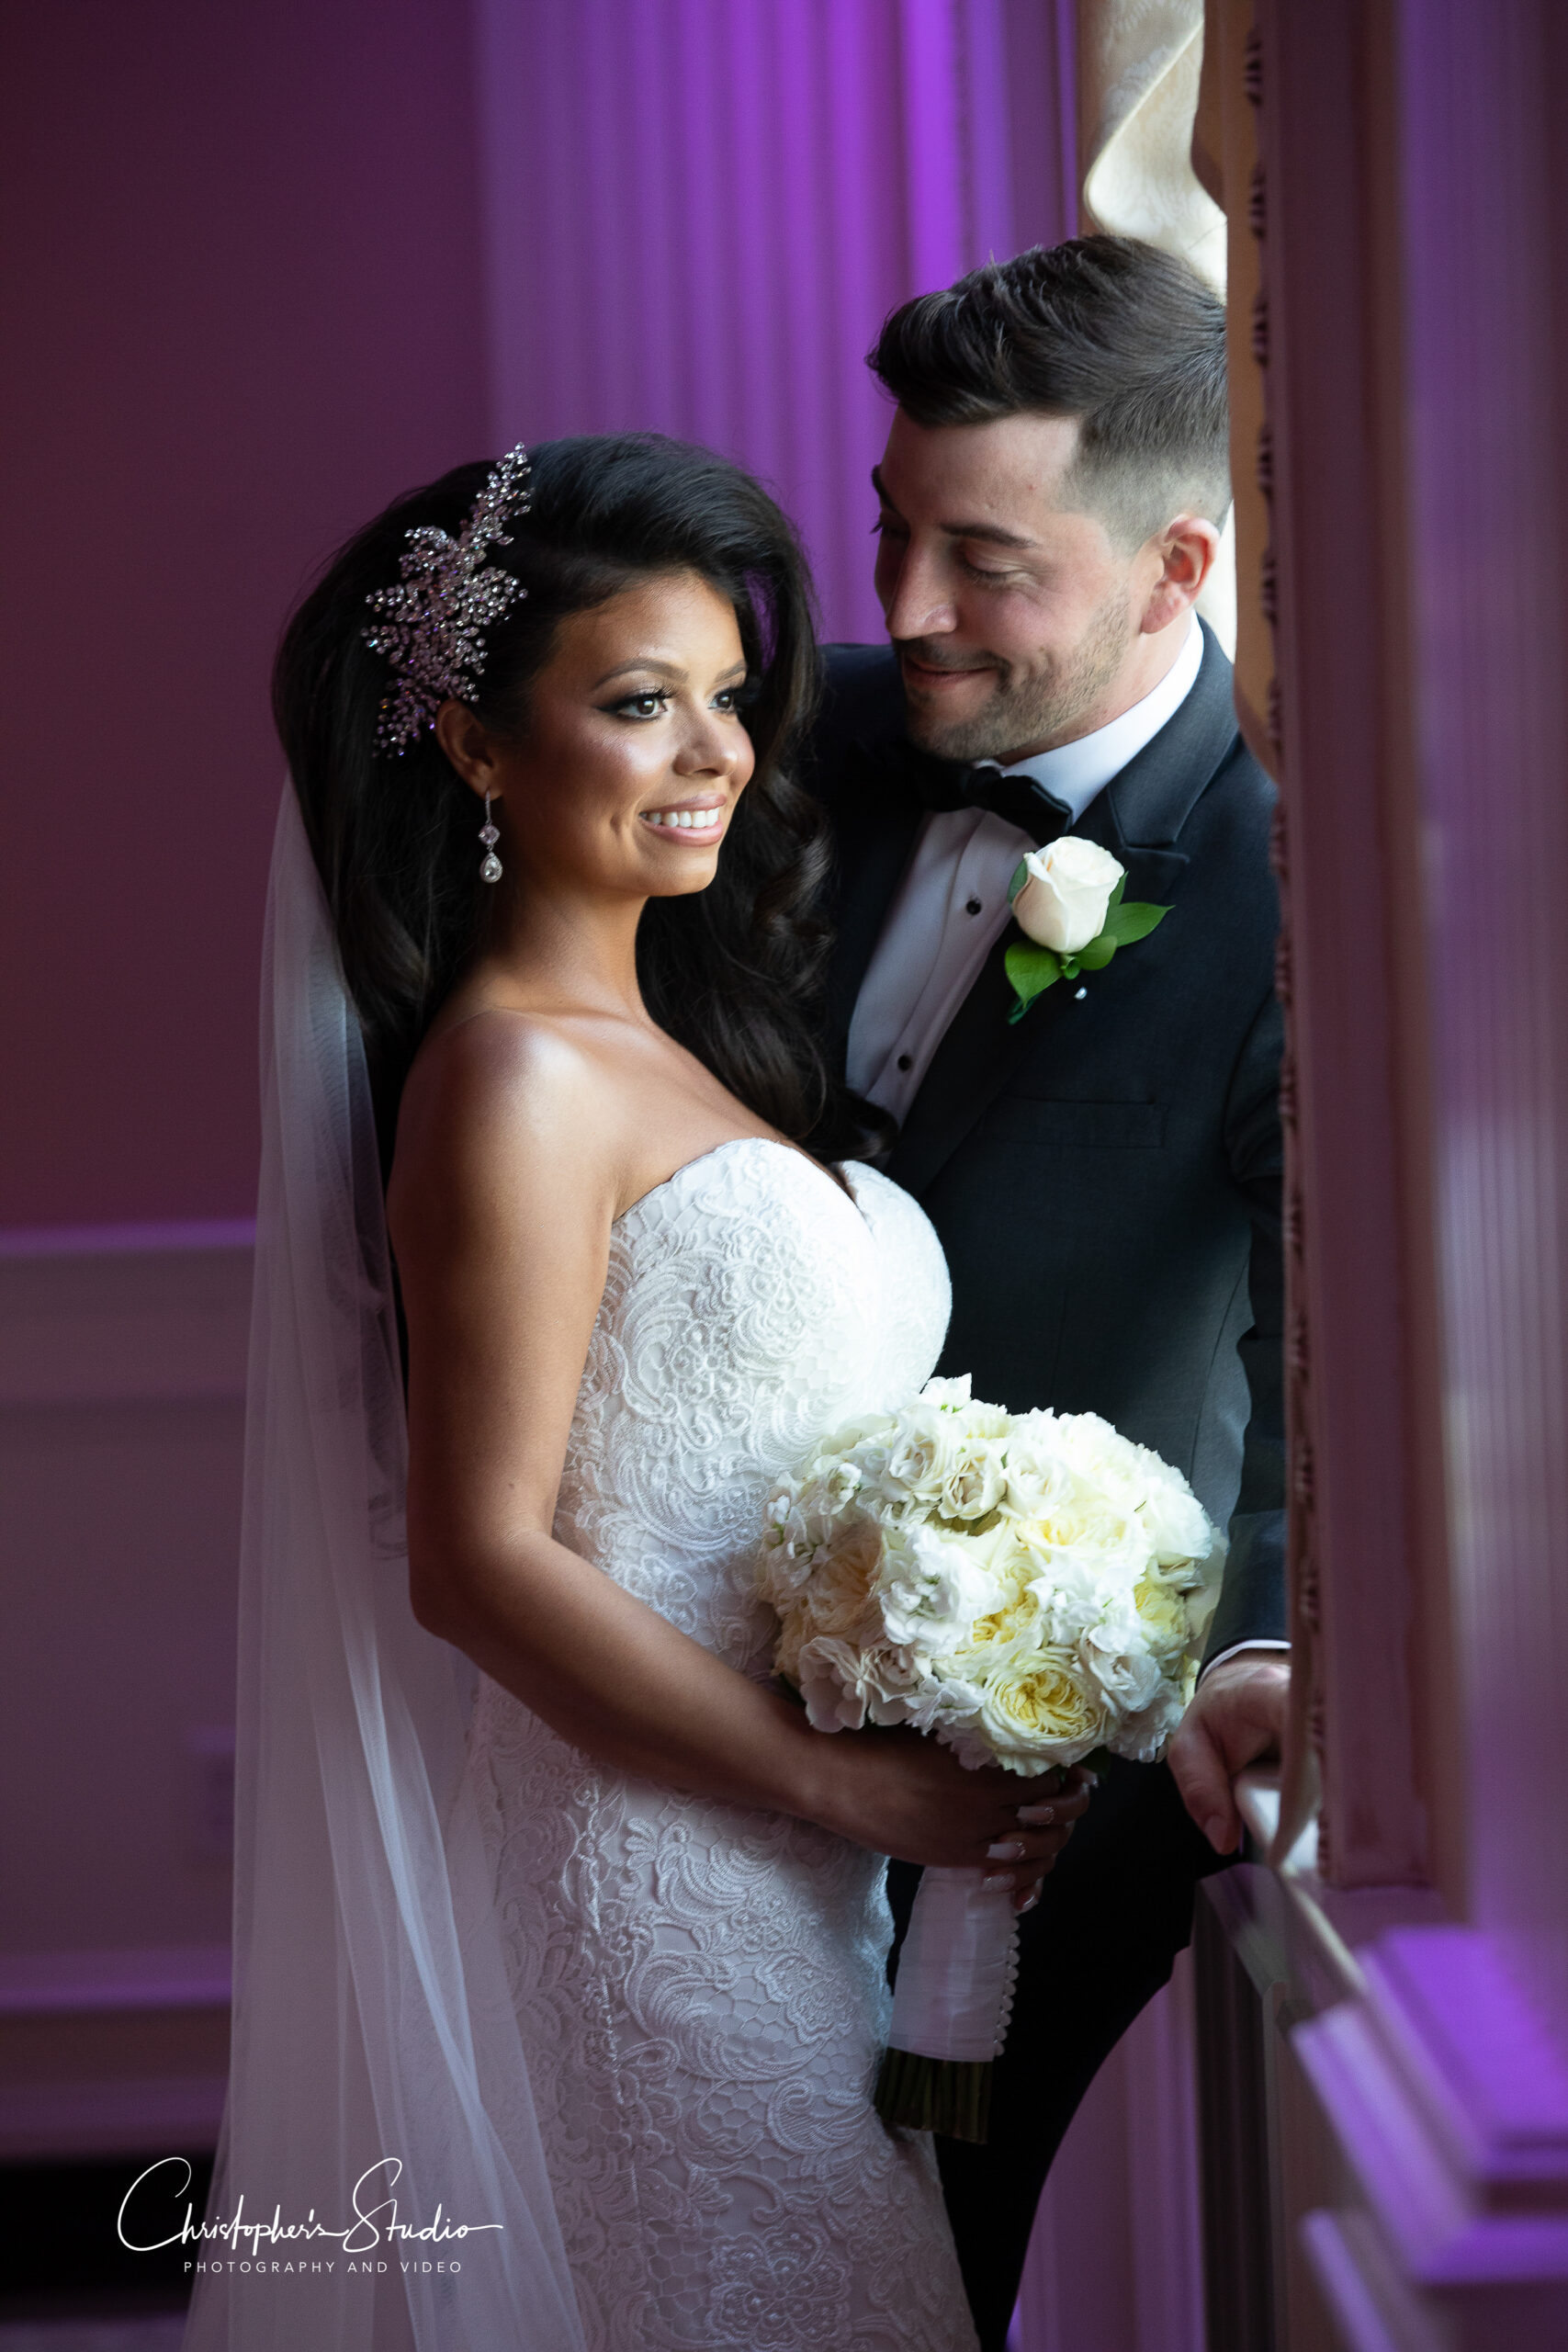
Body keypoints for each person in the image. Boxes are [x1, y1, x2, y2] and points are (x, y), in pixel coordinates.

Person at [185, 432, 1091, 2352]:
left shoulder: (676, 1046)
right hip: (646, 1896)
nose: (714, 753)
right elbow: (477, 1557)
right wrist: (839, 1775)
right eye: (636, 702)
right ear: (477, 748)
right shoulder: (512, 1077)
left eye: (724, 697)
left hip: (791, 1885)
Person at [804, 235, 1291, 2347]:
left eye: (980, 560)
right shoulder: (768, 751)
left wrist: (1276, 1638)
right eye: (890, 526)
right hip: (688, 1698)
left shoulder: (1297, 879)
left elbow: (1324, 1327)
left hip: (1040, 1777)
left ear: (1172, 564)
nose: (902, 607)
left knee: (922, 2281)